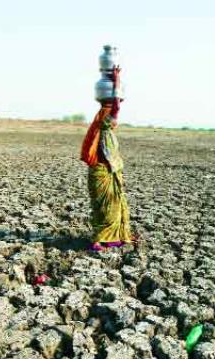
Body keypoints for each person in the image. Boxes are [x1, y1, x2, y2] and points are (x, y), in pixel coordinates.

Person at [80, 66, 133, 252]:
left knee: (107, 206)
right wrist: (117, 79)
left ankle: (112, 237)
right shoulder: (105, 120)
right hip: (102, 172)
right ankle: (99, 240)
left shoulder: (102, 127)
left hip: (102, 172)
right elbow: (117, 105)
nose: (116, 119)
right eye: (114, 117)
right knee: (108, 207)